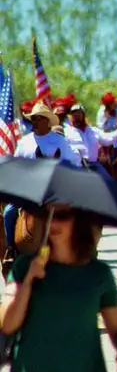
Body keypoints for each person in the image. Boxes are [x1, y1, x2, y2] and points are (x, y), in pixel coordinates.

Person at [0, 207, 117, 372]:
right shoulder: (24, 267)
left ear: (79, 221)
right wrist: (28, 281)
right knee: (10, 212)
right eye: (47, 214)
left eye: (61, 216)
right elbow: (7, 325)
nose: (52, 221)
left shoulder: (99, 274)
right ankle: (9, 249)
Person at [3, 103, 81, 261]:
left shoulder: (59, 141)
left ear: (47, 121)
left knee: (77, 213)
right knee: (9, 212)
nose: (35, 122)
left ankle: (79, 249)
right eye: (33, 119)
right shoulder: (25, 141)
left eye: (38, 119)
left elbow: (73, 162)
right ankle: (11, 249)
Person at [64, 104, 117, 179]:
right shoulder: (67, 132)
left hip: (94, 165)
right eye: (74, 114)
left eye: (79, 114)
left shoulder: (93, 130)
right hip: (77, 166)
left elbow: (107, 139)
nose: (76, 116)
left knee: (108, 182)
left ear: (83, 115)